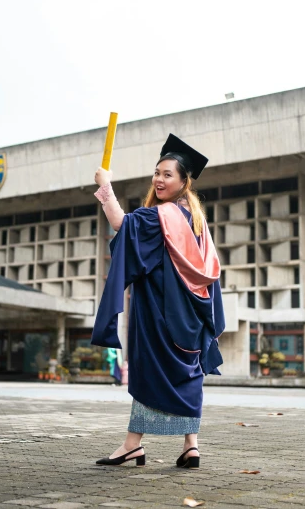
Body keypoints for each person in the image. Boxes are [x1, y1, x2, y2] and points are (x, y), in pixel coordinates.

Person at [91, 133, 225, 469]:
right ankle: (190, 446)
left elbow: (122, 224)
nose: (159, 179)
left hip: (160, 314)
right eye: (157, 172)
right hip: (193, 315)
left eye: (168, 174)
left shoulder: (161, 216)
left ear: (183, 182)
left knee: (149, 372)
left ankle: (131, 446)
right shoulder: (197, 221)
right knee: (188, 373)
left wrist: (105, 187)